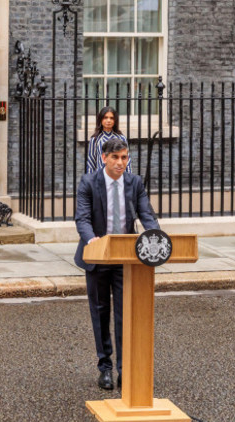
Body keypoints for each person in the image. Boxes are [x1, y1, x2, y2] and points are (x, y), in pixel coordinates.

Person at [74, 137, 159, 390]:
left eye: (124, 157)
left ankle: (124, 369)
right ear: (104, 158)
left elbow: (147, 216)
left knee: (125, 315)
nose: (121, 163)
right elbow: (82, 219)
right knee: (100, 313)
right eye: (115, 158)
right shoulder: (89, 182)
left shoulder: (134, 183)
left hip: (126, 260)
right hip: (98, 258)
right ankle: (105, 368)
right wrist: (92, 242)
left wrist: (156, 238)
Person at [86, 106, 132, 174]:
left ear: (115, 120)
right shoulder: (95, 139)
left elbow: (127, 162)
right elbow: (91, 163)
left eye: (111, 118)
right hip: (101, 179)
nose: (108, 120)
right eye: (105, 118)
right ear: (101, 120)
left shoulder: (121, 138)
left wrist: (128, 180)